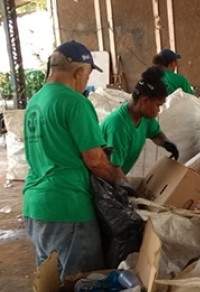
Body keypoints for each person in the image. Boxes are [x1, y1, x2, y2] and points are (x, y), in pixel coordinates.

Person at [23, 40, 122, 278]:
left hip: (35, 206)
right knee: (81, 287)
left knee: (53, 287)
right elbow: (95, 159)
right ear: (79, 72)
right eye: (87, 75)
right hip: (68, 206)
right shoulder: (74, 102)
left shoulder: (34, 102)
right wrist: (121, 182)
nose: (87, 81)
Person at [100, 66, 179, 178]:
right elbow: (113, 170)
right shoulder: (118, 127)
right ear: (144, 100)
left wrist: (166, 143)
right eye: (158, 105)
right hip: (100, 180)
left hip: (114, 177)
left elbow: (155, 134)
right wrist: (134, 193)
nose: (158, 110)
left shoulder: (145, 118)